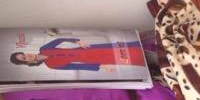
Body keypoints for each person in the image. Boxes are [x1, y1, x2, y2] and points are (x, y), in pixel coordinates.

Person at [10, 37, 145, 71]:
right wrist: (101, 66)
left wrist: (77, 41)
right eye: (24, 58)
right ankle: (145, 59)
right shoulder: (51, 65)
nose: (27, 56)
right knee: (125, 58)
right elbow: (76, 66)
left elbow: (59, 40)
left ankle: (144, 44)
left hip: (87, 49)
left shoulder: (43, 48)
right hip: (90, 60)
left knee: (122, 48)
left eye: (24, 54)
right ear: (27, 62)